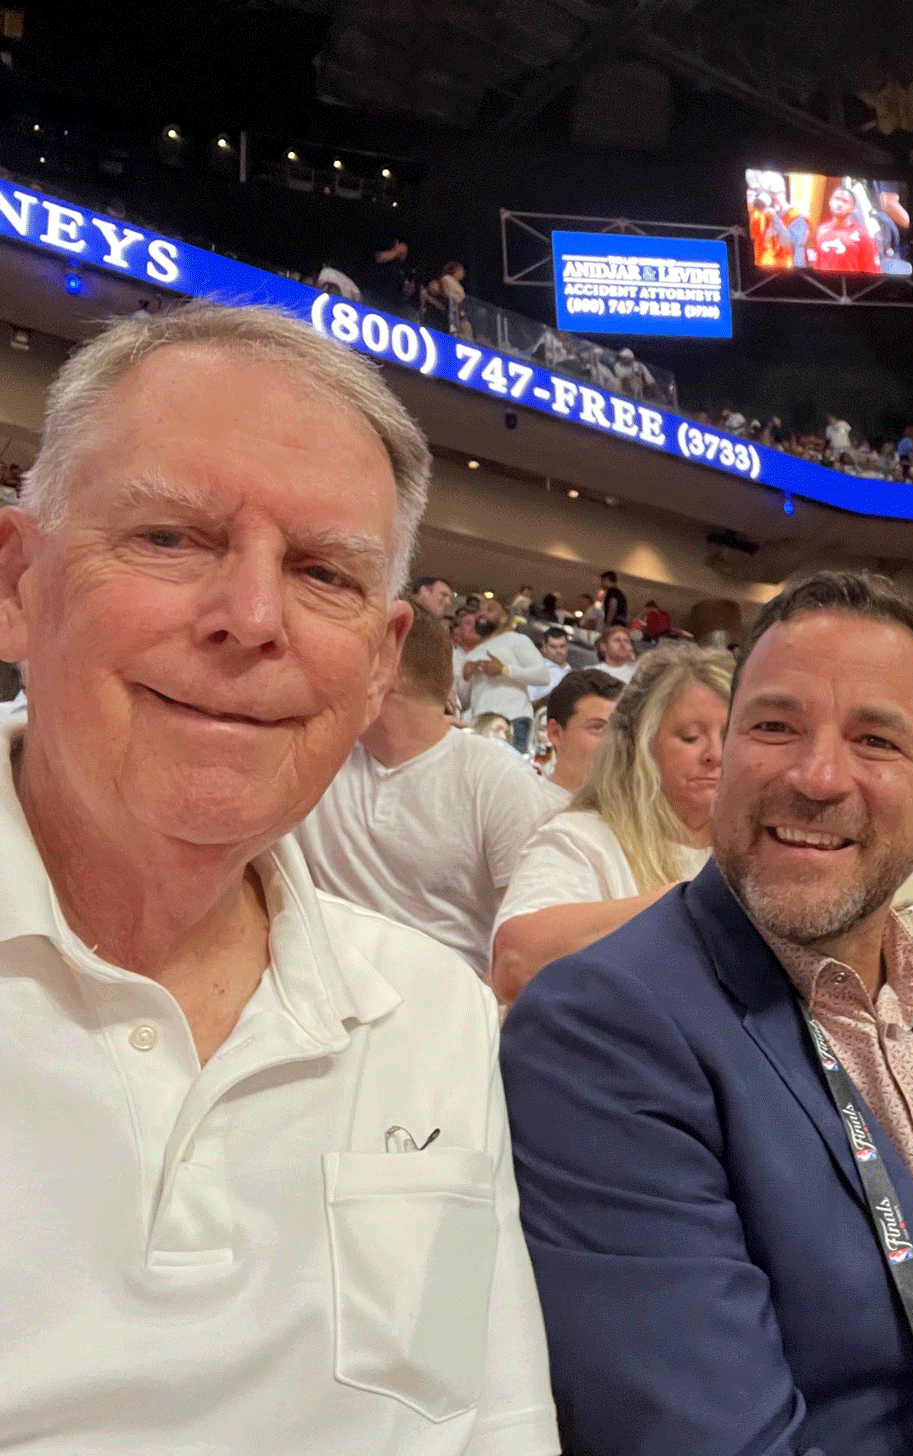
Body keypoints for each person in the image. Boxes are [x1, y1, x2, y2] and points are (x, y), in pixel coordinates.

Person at [0, 301, 558, 1454]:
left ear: (379, 665)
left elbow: (492, 1421)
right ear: (18, 581)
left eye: (322, 573)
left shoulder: (431, 1015)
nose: (252, 619)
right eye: (171, 538)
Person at [502, 570, 913, 1456]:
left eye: (875, 740)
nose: (817, 776)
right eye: (774, 727)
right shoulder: (600, 1030)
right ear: (724, 761)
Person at [295, 605, 551, 979]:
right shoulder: (313, 757)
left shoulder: (497, 779)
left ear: (385, 669)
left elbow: (529, 943)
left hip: (441, 995)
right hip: (315, 980)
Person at [491, 645, 730, 1003]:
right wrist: (685, 906)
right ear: (640, 747)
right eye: (690, 737)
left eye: (730, 736)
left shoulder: (759, 851)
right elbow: (515, 962)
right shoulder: (582, 839)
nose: (716, 754)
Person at [460, 600, 549, 755]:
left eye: (490, 610)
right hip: (481, 723)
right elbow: (465, 699)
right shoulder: (474, 652)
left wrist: (504, 669)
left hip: (513, 721)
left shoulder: (516, 640)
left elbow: (543, 676)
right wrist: (466, 674)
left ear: (504, 618)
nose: (482, 613)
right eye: (480, 610)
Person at [536, 668, 623, 806]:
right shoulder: (533, 810)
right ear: (555, 734)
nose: (613, 741)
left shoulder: (628, 811)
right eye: (599, 728)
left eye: (620, 729)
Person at [814, 187, 881, 273]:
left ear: (853, 208)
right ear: (830, 202)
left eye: (845, 201)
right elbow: (817, 264)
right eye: (836, 199)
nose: (839, 204)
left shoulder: (863, 234)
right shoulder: (820, 230)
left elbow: (872, 271)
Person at [529, 626, 572, 706]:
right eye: (553, 647)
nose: (559, 651)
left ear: (568, 646)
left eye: (562, 646)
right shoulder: (536, 671)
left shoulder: (572, 672)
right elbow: (529, 703)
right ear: (544, 648)